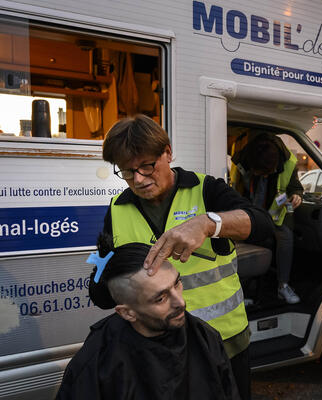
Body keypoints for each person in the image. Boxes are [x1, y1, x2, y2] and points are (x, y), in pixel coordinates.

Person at [88, 114, 274, 400]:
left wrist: (208, 224)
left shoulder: (205, 189)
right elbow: (102, 287)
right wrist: (103, 277)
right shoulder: (117, 209)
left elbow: (261, 225)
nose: (138, 179)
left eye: (147, 166)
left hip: (225, 342)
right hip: (159, 350)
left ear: (168, 153)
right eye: (126, 171)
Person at [57, 237, 241, 399]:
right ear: (127, 313)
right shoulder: (96, 366)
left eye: (177, 283)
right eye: (161, 298)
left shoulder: (204, 337)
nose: (181, 302)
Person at [230, 133, 304, 304]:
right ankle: (239, 290)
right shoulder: (241, 162)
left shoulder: (289, 162)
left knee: (286, 235)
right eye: (260, 173)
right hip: (248, 211)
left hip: (275, 214)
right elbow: (235, 189)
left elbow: (295, 187)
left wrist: (297, 195)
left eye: (267, 173)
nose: (264, 176)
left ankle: (283, 286)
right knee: (239, 242)